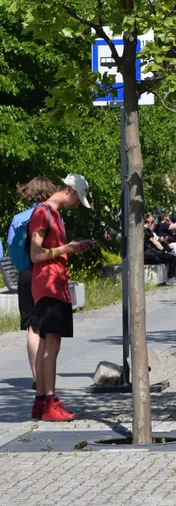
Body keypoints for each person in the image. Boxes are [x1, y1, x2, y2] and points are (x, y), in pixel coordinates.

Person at [29, 174, 92, 422]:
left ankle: (41, 401)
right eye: (78, 198)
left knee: (47, 343)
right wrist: (67, 249)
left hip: (54, 284)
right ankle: (50, 403)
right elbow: (36, 254)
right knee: (51, 346)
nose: (78, 203)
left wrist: (71, 247)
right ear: (69, 191)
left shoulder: (54, 215)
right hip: (48, 285)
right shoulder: (42, 214)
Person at [6, 177, 57, 394]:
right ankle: (46, 374)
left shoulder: (18, 219)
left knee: (31, 325)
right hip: (45, 273)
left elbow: (11, 249)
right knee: (48, 326)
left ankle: (36, 376)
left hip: (26, 274)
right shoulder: (51, 216)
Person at [144, 214, 176, 284]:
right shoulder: (147, 230)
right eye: (152, 223)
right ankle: (172, 279)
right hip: (150, 255)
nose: (154, 225)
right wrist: (163, 250)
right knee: (173, 257)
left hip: (147, 254)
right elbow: (155, 242)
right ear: (149, 223)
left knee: (175, 256)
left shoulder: (141, 230)